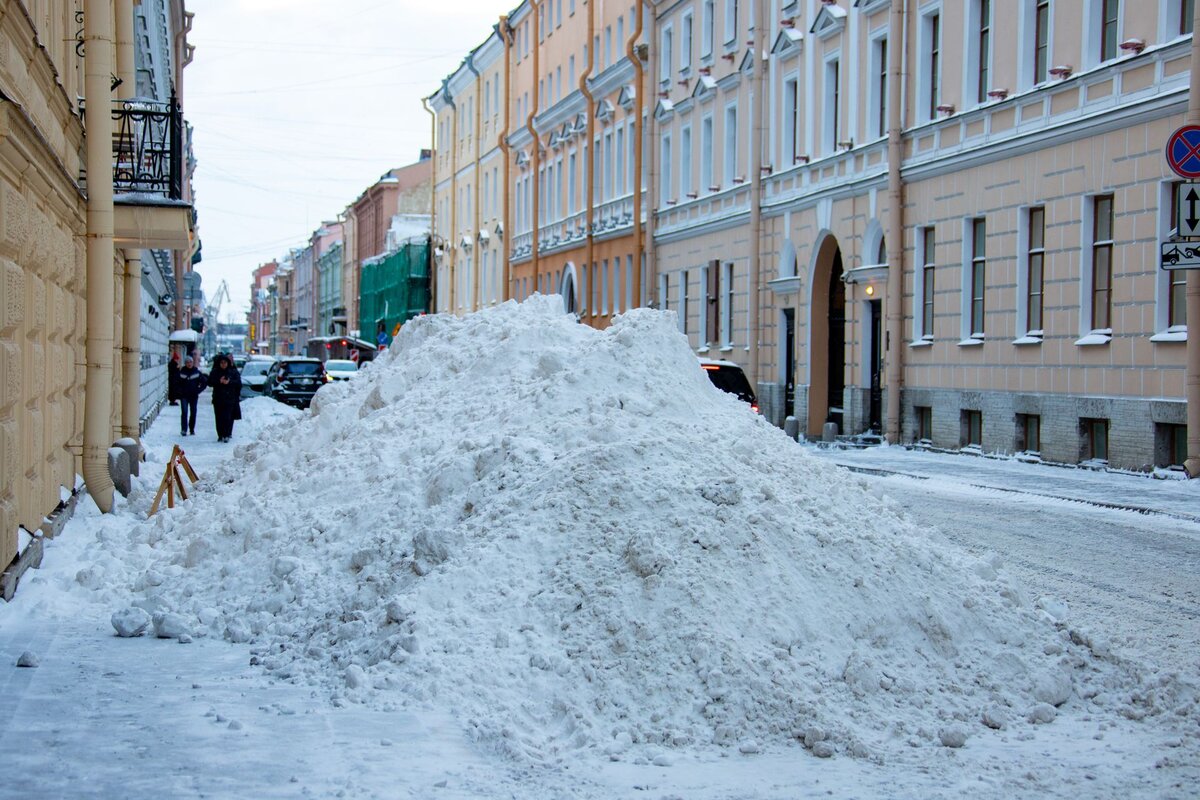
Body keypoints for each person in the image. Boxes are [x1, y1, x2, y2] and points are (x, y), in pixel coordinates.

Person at [208, 353, 242, 443]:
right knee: (219, 417)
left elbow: (238, 383)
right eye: (222, 363)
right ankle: (220, 434)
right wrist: (219, 381)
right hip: (218, 398)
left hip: (229, 398)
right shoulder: (215, 372)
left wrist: (229, 382)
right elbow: (210, 382)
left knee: (228, 417)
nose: (223, 364)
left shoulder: (233, 372)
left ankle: (226, 434)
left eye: (225, 362)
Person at [177, 355, 207, 436]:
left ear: (193, 363)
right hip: (184, 396)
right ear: (185, 363)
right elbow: (176, 383)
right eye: (187, 362)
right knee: (184, 412)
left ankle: (191, 429)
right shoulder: (181, 372)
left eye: (190, 362)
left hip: (193, 396)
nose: (189, 364)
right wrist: (180, 392)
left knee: (193, 413)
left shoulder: (196, 372)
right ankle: (184, 429)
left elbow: (204, 382)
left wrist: (198, 390)